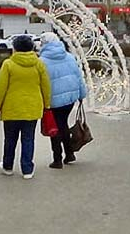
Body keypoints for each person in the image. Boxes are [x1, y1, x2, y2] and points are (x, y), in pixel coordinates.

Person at [0, 35, 50, 180]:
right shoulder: (39, 64)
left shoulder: (8, 64)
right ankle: (27, 170)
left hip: (11, 108)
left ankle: (8, 166)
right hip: (32, 108)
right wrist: (46, 105)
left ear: (15, 48)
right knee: (28, 139)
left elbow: (1, 88)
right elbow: (46, 86)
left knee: (10, 139)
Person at [39, 32, 86, 169]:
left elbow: (41, 83)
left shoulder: (42, 61)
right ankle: (69, 153)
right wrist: (82, 95)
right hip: (70, 100)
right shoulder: (70, 57)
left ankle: (57, 158)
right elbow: (79, 77)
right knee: (62, 124)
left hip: (53, 100)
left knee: (54, 128)